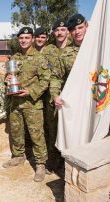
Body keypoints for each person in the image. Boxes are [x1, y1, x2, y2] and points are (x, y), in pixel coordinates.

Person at [3, 27, 51, 182]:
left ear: (32, 39)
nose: (23, 40)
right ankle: (18, 156)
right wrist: (7, 79)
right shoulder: (14, 58)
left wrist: (30, 91)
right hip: (15, 102)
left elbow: (45, 80)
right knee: (16, 131)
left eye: (26, 37)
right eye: (21, 38)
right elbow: (8, 75)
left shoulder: (39, 58)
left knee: (36, 135)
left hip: (32, 103)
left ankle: (41, 164)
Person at [42, 19, 69, 173]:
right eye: (57, 30)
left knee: (68, 130)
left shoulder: (76, 50)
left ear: (67, 32)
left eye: (63, 29)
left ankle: (67, 161)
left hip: (71, 98)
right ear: (53, 32)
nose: (60, 33)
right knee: (52, 130)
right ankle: (53, 161)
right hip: (51, 97)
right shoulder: (48, 50)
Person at [53, 14, 89, 110]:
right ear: (70, 32)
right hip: (74, 101)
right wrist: (55, 95)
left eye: (80, 27)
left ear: (87, 26)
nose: (77, 32)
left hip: (95, 99)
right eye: (73, 29)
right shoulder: (65, 53)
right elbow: (56, 77)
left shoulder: (97, 49)